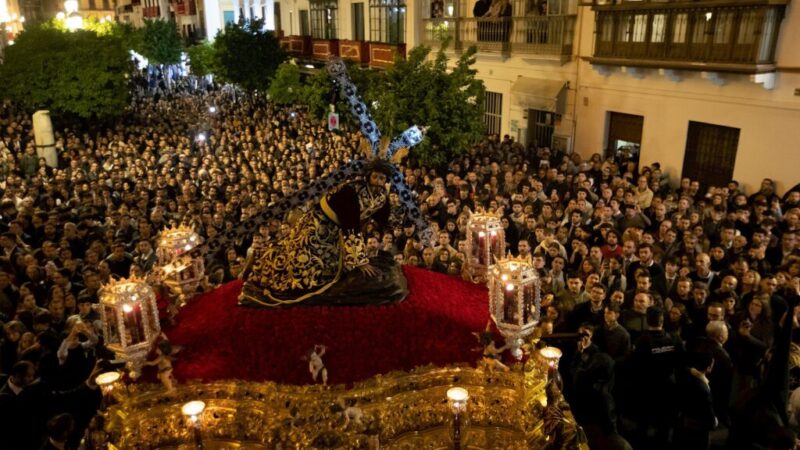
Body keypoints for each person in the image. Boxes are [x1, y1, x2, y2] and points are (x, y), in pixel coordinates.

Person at [240, 160, 405, 307]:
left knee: (330, 265)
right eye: (375, 177)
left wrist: (383, 232)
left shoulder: (381, 196)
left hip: (337, 228)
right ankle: (259, 257)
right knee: (303, 263)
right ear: (367, 177)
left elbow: (383, 219)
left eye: (382, 178)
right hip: (319, 222)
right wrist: (360, 262)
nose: (378, 181)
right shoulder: (351, 191)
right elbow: (351, 228)